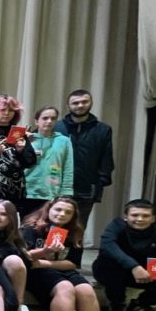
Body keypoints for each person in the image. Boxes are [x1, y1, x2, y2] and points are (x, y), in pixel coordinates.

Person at [21, 197, 118, 311]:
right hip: (36, 273)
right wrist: (45, 251)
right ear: (49, 210)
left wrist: (44, 262)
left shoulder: (75, 232)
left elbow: (72, 263)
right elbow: (24, 257)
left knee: (86, 290)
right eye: (58, 209)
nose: (62, 214)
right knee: (65, 287)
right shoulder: (31, 228)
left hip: (55, 267)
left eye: (68, 212)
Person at [55, 89, 113, 230]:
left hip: (87, 188)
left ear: (91, 103)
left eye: (84, 102)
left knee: (78, 227)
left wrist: (101, 181)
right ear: (68, 105)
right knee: (56, 227)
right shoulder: (57, 127)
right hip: (57, 186)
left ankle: (75, 246)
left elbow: (106, 157)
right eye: (75, 103)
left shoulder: (102, 129)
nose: (80, 105)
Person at [0, 95, 37, 211]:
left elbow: (31, 162)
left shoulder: (18, 133)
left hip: (15, 191)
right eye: (2, 110)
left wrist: (21, 151)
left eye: (11, 110)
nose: (6, 113)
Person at [21, 106, 74, 217]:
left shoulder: (64, 141)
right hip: (28, 192)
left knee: (48, 225)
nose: (49, 121)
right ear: (36, 121)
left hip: (52, 192)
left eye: (53, 118)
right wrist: (24, 142)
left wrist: (66, 193)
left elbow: (68, 167)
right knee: (27, 224)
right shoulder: (27, 139)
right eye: (45, 118)